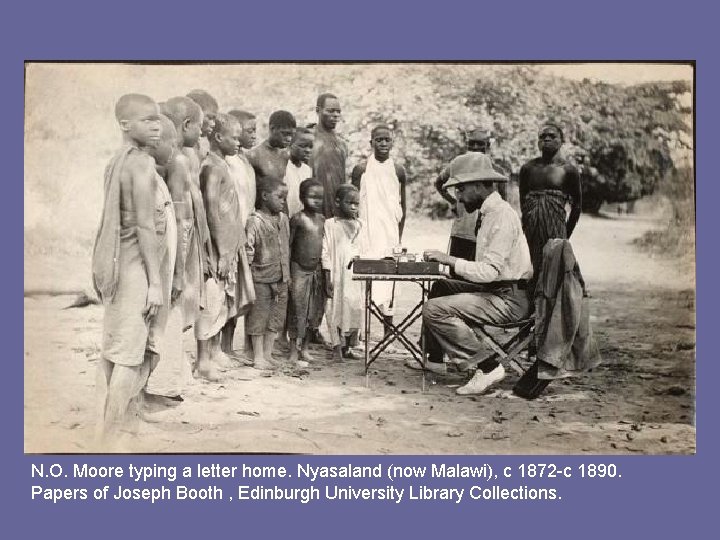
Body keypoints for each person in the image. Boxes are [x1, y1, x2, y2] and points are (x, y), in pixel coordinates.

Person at [92, 94, 175, 444]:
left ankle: (103, 428)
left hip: (119, 266)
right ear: (125, 125)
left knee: (113, 349)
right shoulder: (139, 163)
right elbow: (143, 226)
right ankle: (106, 438)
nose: (156, 126)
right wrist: (156, 284)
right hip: (137, 269)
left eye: (158, 119)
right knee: (130, 352)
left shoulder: (117, 161)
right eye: (147, 119)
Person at [419, 153, 533, 396]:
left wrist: (449, 259)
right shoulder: (488, 212)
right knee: (441, 287)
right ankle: (435, 359)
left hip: (509, 299)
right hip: (497, 290)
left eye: (461, 189)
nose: (458, 196)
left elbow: (488, 272)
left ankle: (487, 366)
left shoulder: (501, 216)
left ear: (480, 185)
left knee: (434, 309)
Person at [196, 114, 253, 379]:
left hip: (229, 245)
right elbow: (211, 211)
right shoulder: (212, 166)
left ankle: (215, 352)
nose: (239, 142)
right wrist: (219, 250)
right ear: (218, 137)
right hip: (218, 248)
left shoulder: (223, 164)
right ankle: (203, 360)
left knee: (221, 301)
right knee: (211, 301)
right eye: (234, 137)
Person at [351, 124, 407, 339]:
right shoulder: (361, 170)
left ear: (392, 142)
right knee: (365, 278)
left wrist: (398, 239)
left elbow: (404, 208)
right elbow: (353, 202)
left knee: (389, 281)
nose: (383, 144)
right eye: (379, 140)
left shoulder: (399, 170)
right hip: (367, 231)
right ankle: (360, 333)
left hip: (390, 233)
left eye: (387, 140)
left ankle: (387, 332)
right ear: (371, 142)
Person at [519, 123, 582, 296]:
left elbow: (577, 206)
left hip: (556, 230)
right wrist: (527, 226)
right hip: (532, 229)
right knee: (533, 269)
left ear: (562, 141)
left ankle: (553, 315)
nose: (546, 139)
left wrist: (565, 235)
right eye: (542, 136)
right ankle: (531, 315)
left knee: (556, 273)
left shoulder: (568, 171)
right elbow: (523, 202)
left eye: (552, 136)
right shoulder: (527, 169)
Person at [244, 177, 291, 370]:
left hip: (281, 277)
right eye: (279, 197)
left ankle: (267, 353)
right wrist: (247, 276)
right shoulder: (254, 221)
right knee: (259, 317)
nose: (283, 201)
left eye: (285, 198)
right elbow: (248, 249)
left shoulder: (284, 220)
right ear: (264, 196)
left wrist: (287, 274)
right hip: (261, 278)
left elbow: (286, 247)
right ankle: (257, 356)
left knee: (276, 317)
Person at [322, 184, 368, 361]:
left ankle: (348, 346)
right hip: (337, 274)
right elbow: (324, 252)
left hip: (354, 276)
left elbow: (363, 248)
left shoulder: (360, 225)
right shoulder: (330, 224)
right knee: (336, 309)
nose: (354, 207)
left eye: (357, 204)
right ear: (338, 202)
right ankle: (336, 347)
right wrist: (327, 276)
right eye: (350, 203)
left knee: (354, 307)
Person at [435, 127, 493, 261]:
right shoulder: (457, 164)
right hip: (462, 231)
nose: (475, 147)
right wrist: (453, 201)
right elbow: (439, 183)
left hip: (486, 232)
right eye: (471, 143)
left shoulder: (495, 169)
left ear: (488, 145)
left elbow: (502, 201)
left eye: (480, 143)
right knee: (456, 272)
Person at [288, 178, 326, 366]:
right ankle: (294, 350)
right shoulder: (297, 219)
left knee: (313, 310)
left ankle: (306, 348)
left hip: (315, 270)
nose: (317, 201)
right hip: (298, 270)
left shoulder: (322, 220)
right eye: (313, 197)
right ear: (302, 197)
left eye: (320, 197)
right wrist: (288, 271)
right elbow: (289, 245)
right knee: (297, 309)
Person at [311, 93, 348, 217]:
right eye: (330, 111)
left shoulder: (341, 143)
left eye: (338, 111)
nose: (335, 115)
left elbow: (342, 179)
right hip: (313, 206)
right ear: (318, 110)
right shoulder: (307, 139)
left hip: (336, 208)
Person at [228, 109, 258, 225]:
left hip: (247, 225)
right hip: (235, 226)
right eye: (250, 131)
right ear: (236, 130)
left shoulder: (244, 159)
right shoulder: (229, 161)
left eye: (255, 131)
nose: (254, 136)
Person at [247, 110, 295, 182]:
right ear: (272, 129)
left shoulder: (287, 154)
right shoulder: (254, 156)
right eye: (284, 134)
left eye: (291, 135)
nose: (289, 139)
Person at [284, 127, 314, 217]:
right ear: (290, 144)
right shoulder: (283, 168)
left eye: (310, 147)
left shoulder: (307, 170)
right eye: (302, 146)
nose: (308, 150)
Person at [186, 89, 219, 162]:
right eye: (210, 118)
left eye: (214, 119)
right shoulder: (186, 144)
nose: (213, 124)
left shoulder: (205, 141)